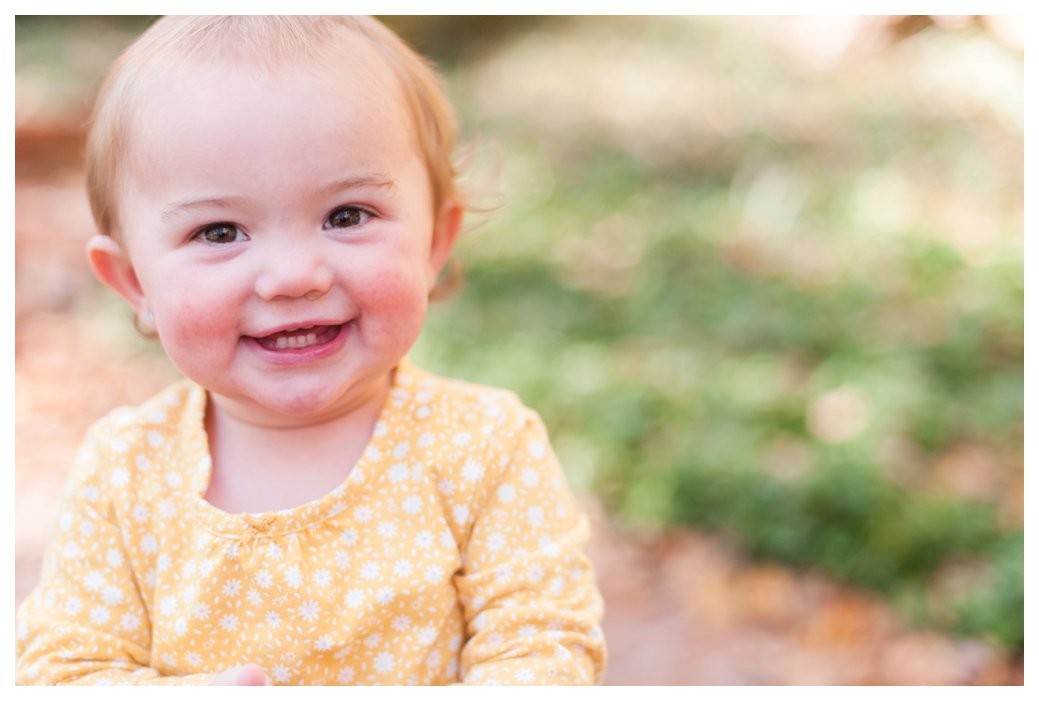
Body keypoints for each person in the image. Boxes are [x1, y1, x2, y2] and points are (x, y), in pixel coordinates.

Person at [15, 15, 606, 686]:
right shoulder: (125, 470)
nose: (294, 275)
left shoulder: (482, 448)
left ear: (434, 244)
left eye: (346, 216)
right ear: (133, 283)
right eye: (219, 231)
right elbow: (64, 671)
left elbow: (544, 644)